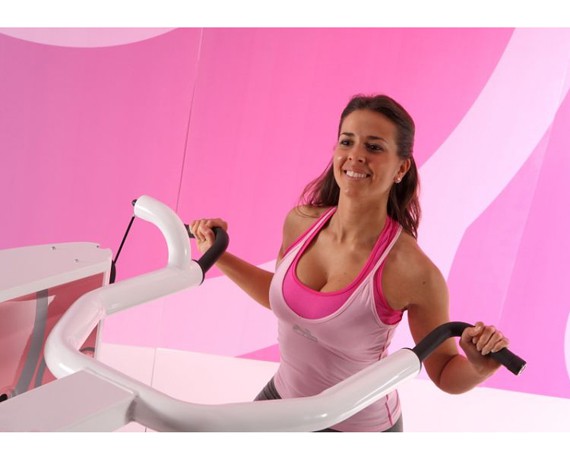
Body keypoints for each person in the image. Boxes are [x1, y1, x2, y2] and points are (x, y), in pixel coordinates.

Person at [189, 94, 509, 432]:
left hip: (356, 428)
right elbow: (286, 297)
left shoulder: (412, 271)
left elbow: (444, 373)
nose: (356, 155)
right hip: (282, 401)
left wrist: (479, 367)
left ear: (401, 168)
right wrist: (217, 254)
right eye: (347, 141)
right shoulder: (301, 222)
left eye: (374, 147)